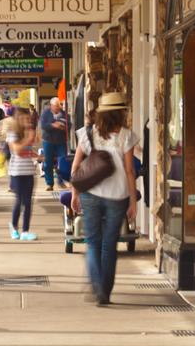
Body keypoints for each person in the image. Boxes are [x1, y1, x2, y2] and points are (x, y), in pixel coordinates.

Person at [70, 92, 138, 306]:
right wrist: (133, 201)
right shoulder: (126, 136)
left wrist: (74, 193)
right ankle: (105, 293)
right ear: (121, 113)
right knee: (109, 245)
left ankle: (97, 286)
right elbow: (129, 170)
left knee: (92, 243)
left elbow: (76, 165)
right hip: (117, 196)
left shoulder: (88, 133)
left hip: (91, 194)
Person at [7, 107, 38, 241]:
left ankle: (25, 230)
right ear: (18, 120)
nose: (28, 121)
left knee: (28, 202)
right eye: (25, 118)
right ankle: (14, 227)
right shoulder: (12, 133)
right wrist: (28, 138)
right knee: (19, 201)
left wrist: (38, 156)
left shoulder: (29, 132)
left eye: (29, 118)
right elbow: (17, 150)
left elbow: (28, 151)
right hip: (17, 172)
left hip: (29, 171)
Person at [39, 97, 69, 191]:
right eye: (56, 106)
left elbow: (70, 125)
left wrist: (64, 127)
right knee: (48, 163)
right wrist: (53, 125)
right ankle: (49, 184)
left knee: (63, 161)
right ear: (51, 106)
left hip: (61, 141)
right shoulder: (45, 113)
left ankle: (61, 181)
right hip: (48, 141)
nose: (58, 108)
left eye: (59, 106)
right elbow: (43, 126)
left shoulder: (64, 114)